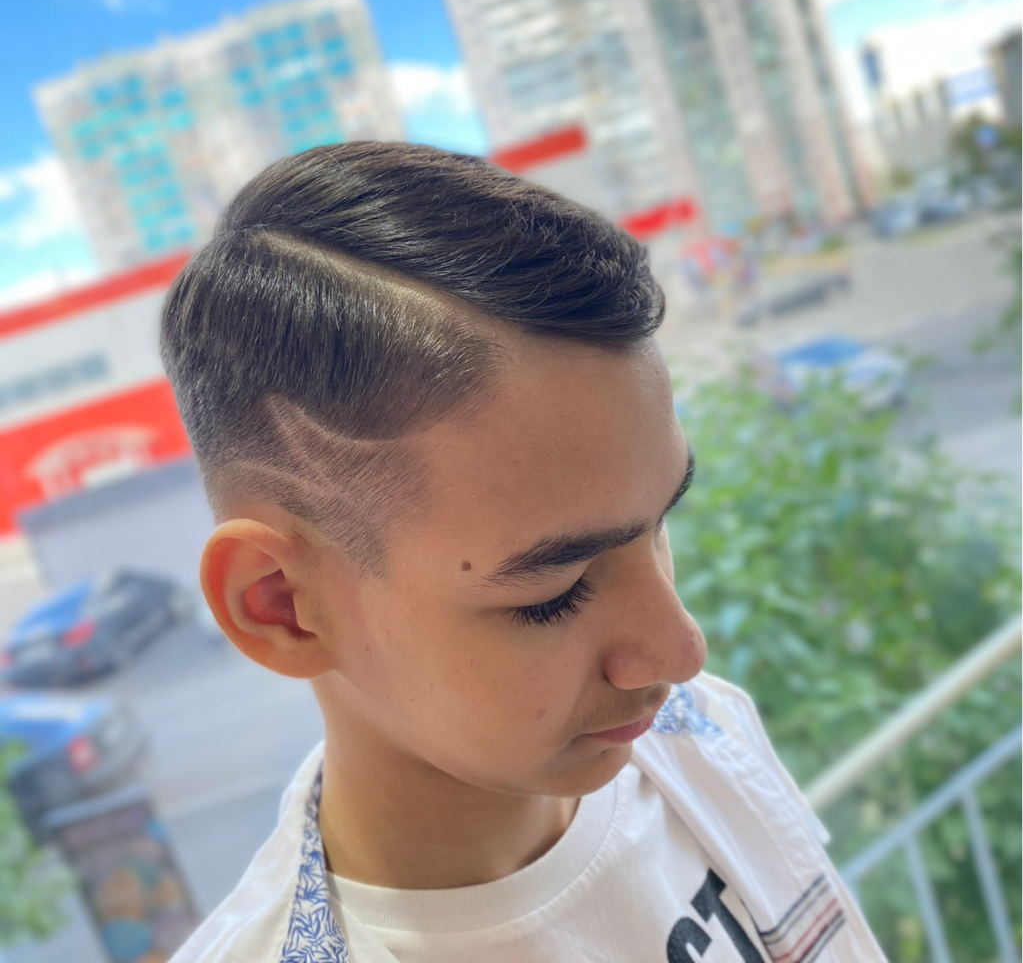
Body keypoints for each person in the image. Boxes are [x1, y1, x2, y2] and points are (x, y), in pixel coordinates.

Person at [162, 143, 887, 963]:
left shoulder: (699, 739)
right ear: (281, 606)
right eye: (556, 593)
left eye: (660, 524)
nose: (681, 653)